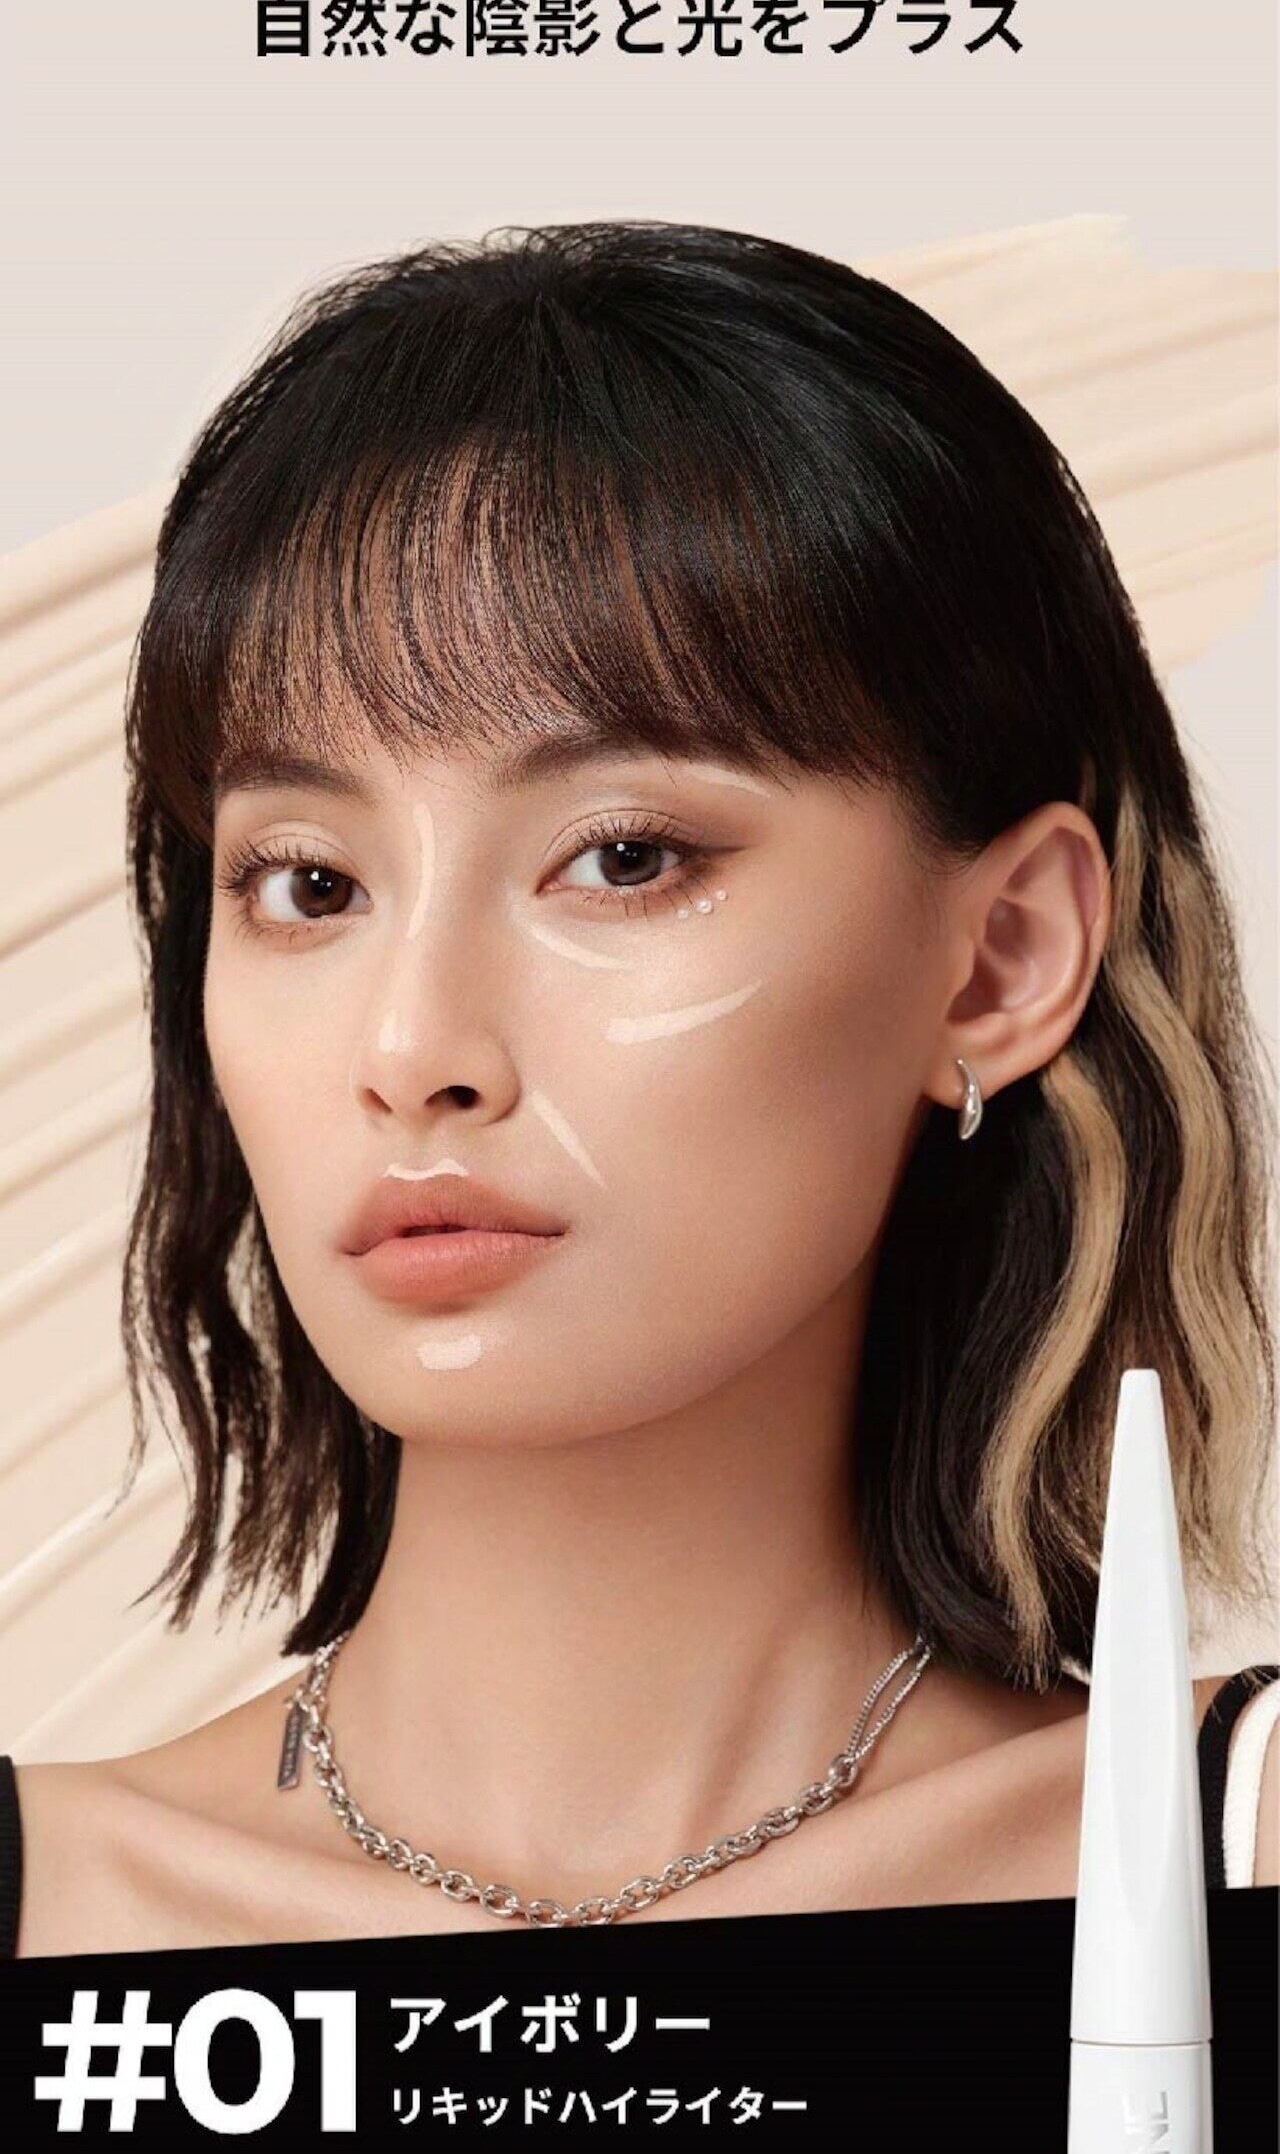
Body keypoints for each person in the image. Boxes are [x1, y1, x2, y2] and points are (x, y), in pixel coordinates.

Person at [4, 219, 1276, 1956]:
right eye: (309, 883)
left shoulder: (1234, 1861)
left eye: (622, 857)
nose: (413, 1052)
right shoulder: (52, 1905)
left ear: (1000, 961)